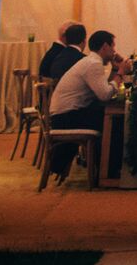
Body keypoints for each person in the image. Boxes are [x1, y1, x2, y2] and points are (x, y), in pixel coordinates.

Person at [47, 30, 124, 179]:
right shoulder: (93, 64)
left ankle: (104, 169)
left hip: (66, 114)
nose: (114, 51)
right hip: (66, 118)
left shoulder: (91, 61)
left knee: (109, 117)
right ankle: (108, 172)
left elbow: (103, 87)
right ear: (105, 46)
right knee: (115, 121)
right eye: (113, 46)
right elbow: (105, 95)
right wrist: (120, 73)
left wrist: (114, 69)